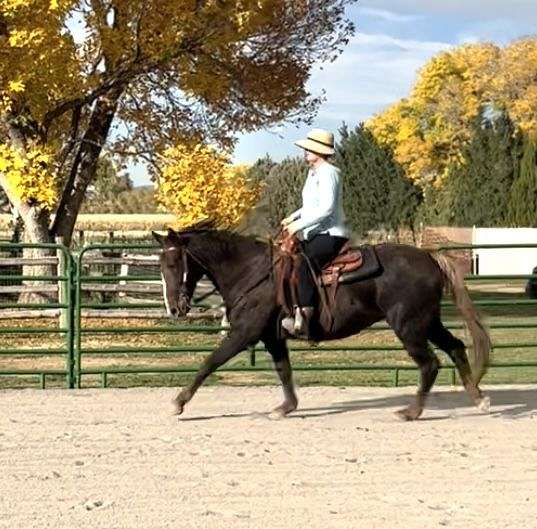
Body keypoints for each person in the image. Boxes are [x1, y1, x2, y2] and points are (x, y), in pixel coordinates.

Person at [280, 128, 349, 338]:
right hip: (315, 233)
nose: (305, 152)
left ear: (319, 152)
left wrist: (298, 226)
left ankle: (306, 317)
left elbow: (327, 208)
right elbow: (311, 205)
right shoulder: (313, 172)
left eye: (309, 149)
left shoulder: (330, 172)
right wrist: (293, 217)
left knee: (304, 264)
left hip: (331, 233)